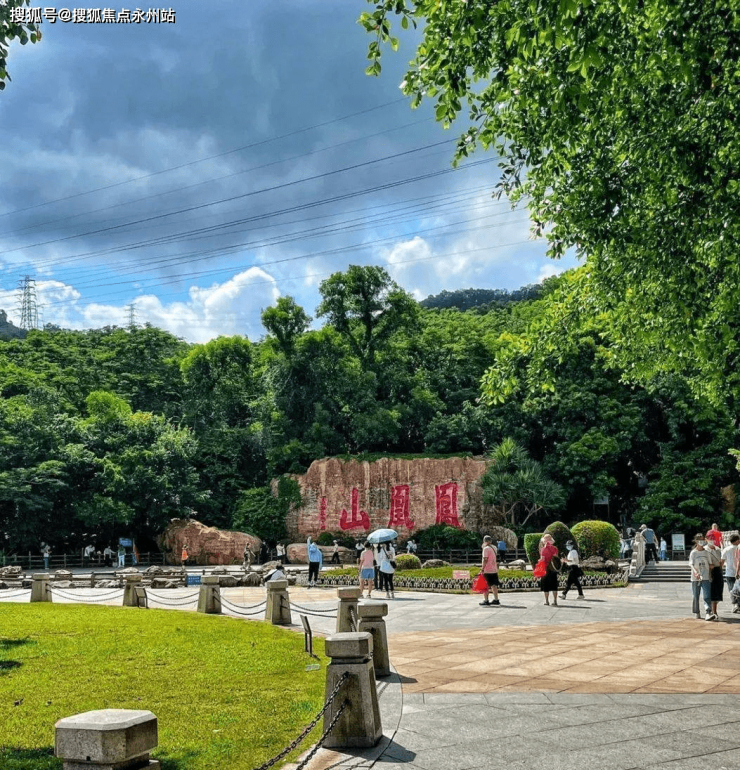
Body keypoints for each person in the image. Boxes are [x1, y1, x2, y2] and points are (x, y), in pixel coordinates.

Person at [689, 534, 714, 620]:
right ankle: (697, 612)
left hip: (706, 576)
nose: (702, 541)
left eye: (703, 539)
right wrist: (695, 572)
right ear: (696, 541)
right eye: (700, 539)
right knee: (696, 596)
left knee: (707, 595)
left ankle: (708, 612)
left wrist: (711, 567)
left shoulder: (707, 552)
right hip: (695, 578)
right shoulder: (693, 553)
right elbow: (691, 564)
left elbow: (710, 563)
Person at [479, 535, 500, 607]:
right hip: (494, 569)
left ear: (485, 541)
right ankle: (496, 599)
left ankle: (486, 600)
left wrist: (482, 568)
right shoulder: (494, 547)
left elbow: (485, 559)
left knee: (486, 585)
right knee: (494, 585)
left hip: (487, 570)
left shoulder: (486, 549)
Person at [539, 533, 560, 606]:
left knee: (546, 586)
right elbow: (556, 557)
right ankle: (555, 601)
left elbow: (542, 559)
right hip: (553, 569)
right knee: (554, 586)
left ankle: (547, 601)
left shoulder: (543, 549)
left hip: (546, 569)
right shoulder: (555, 548)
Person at [705, 538, 723, 620]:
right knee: (711, 592)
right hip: (709, 572)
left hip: (718, 570)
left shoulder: (718, 549)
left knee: (718, 591)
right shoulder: (705, 549)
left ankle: (714, 610)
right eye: (710, 539)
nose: (712, 541)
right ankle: (712, 611)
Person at [722, 534, 740, 614]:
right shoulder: (738, 548)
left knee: (731, 590)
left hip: (729, 572)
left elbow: (722, 561)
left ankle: (735, 605)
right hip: (738, 573)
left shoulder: (726, 549)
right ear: (737, 540)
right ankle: (738, 604)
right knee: (738, 590)